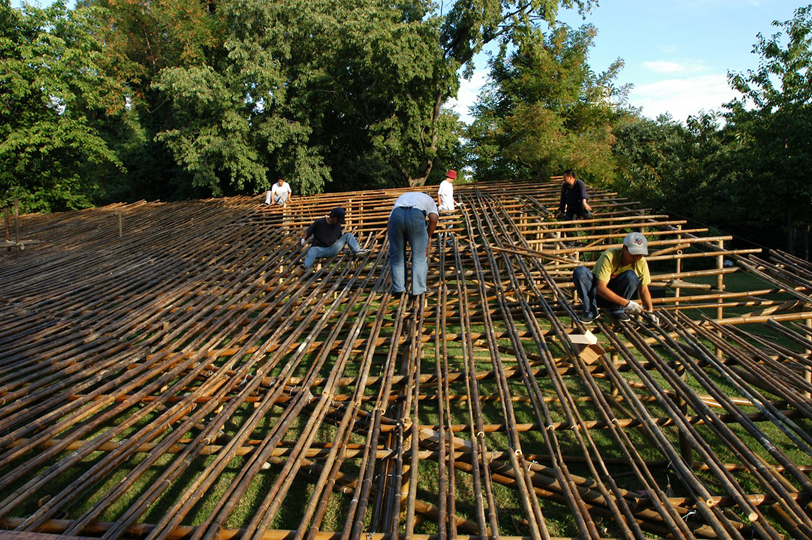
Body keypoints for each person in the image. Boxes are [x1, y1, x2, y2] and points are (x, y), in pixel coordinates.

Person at [572, 232, 658, 324]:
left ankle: (617, 310)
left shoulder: (641, 262)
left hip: (616, 300)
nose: (637, 257)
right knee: (580, 272)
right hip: (596, 295)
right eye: (634, 253)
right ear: (624, 248)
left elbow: (644, 290)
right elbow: (601, 288)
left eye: (640, 254)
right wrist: (627, 303)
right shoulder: (610, 256)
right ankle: (590, 311)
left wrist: (650, 311)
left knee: (631, 276)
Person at [388, 192, 439, 296]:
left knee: (396, 257)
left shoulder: (401, 197)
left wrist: (392, 239)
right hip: (416, 216)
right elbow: (433, 219)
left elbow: (389, 221)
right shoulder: (429, 199)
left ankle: (398, 289)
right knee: (419, 257)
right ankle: (418, 290)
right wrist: (427, 237)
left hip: (396, 217)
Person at [295, 207, 369, 275]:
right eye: (338, 219)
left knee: (348, 235)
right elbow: (307, 231)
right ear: (333, 216)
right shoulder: (320, 222)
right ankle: (305, 267)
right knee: (312, 250)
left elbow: (340, 238)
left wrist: (343, 249)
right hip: (319, 249)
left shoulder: (338, 225)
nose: (339, 222)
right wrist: (303, 239)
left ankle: (358, 250)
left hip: (332, 249)